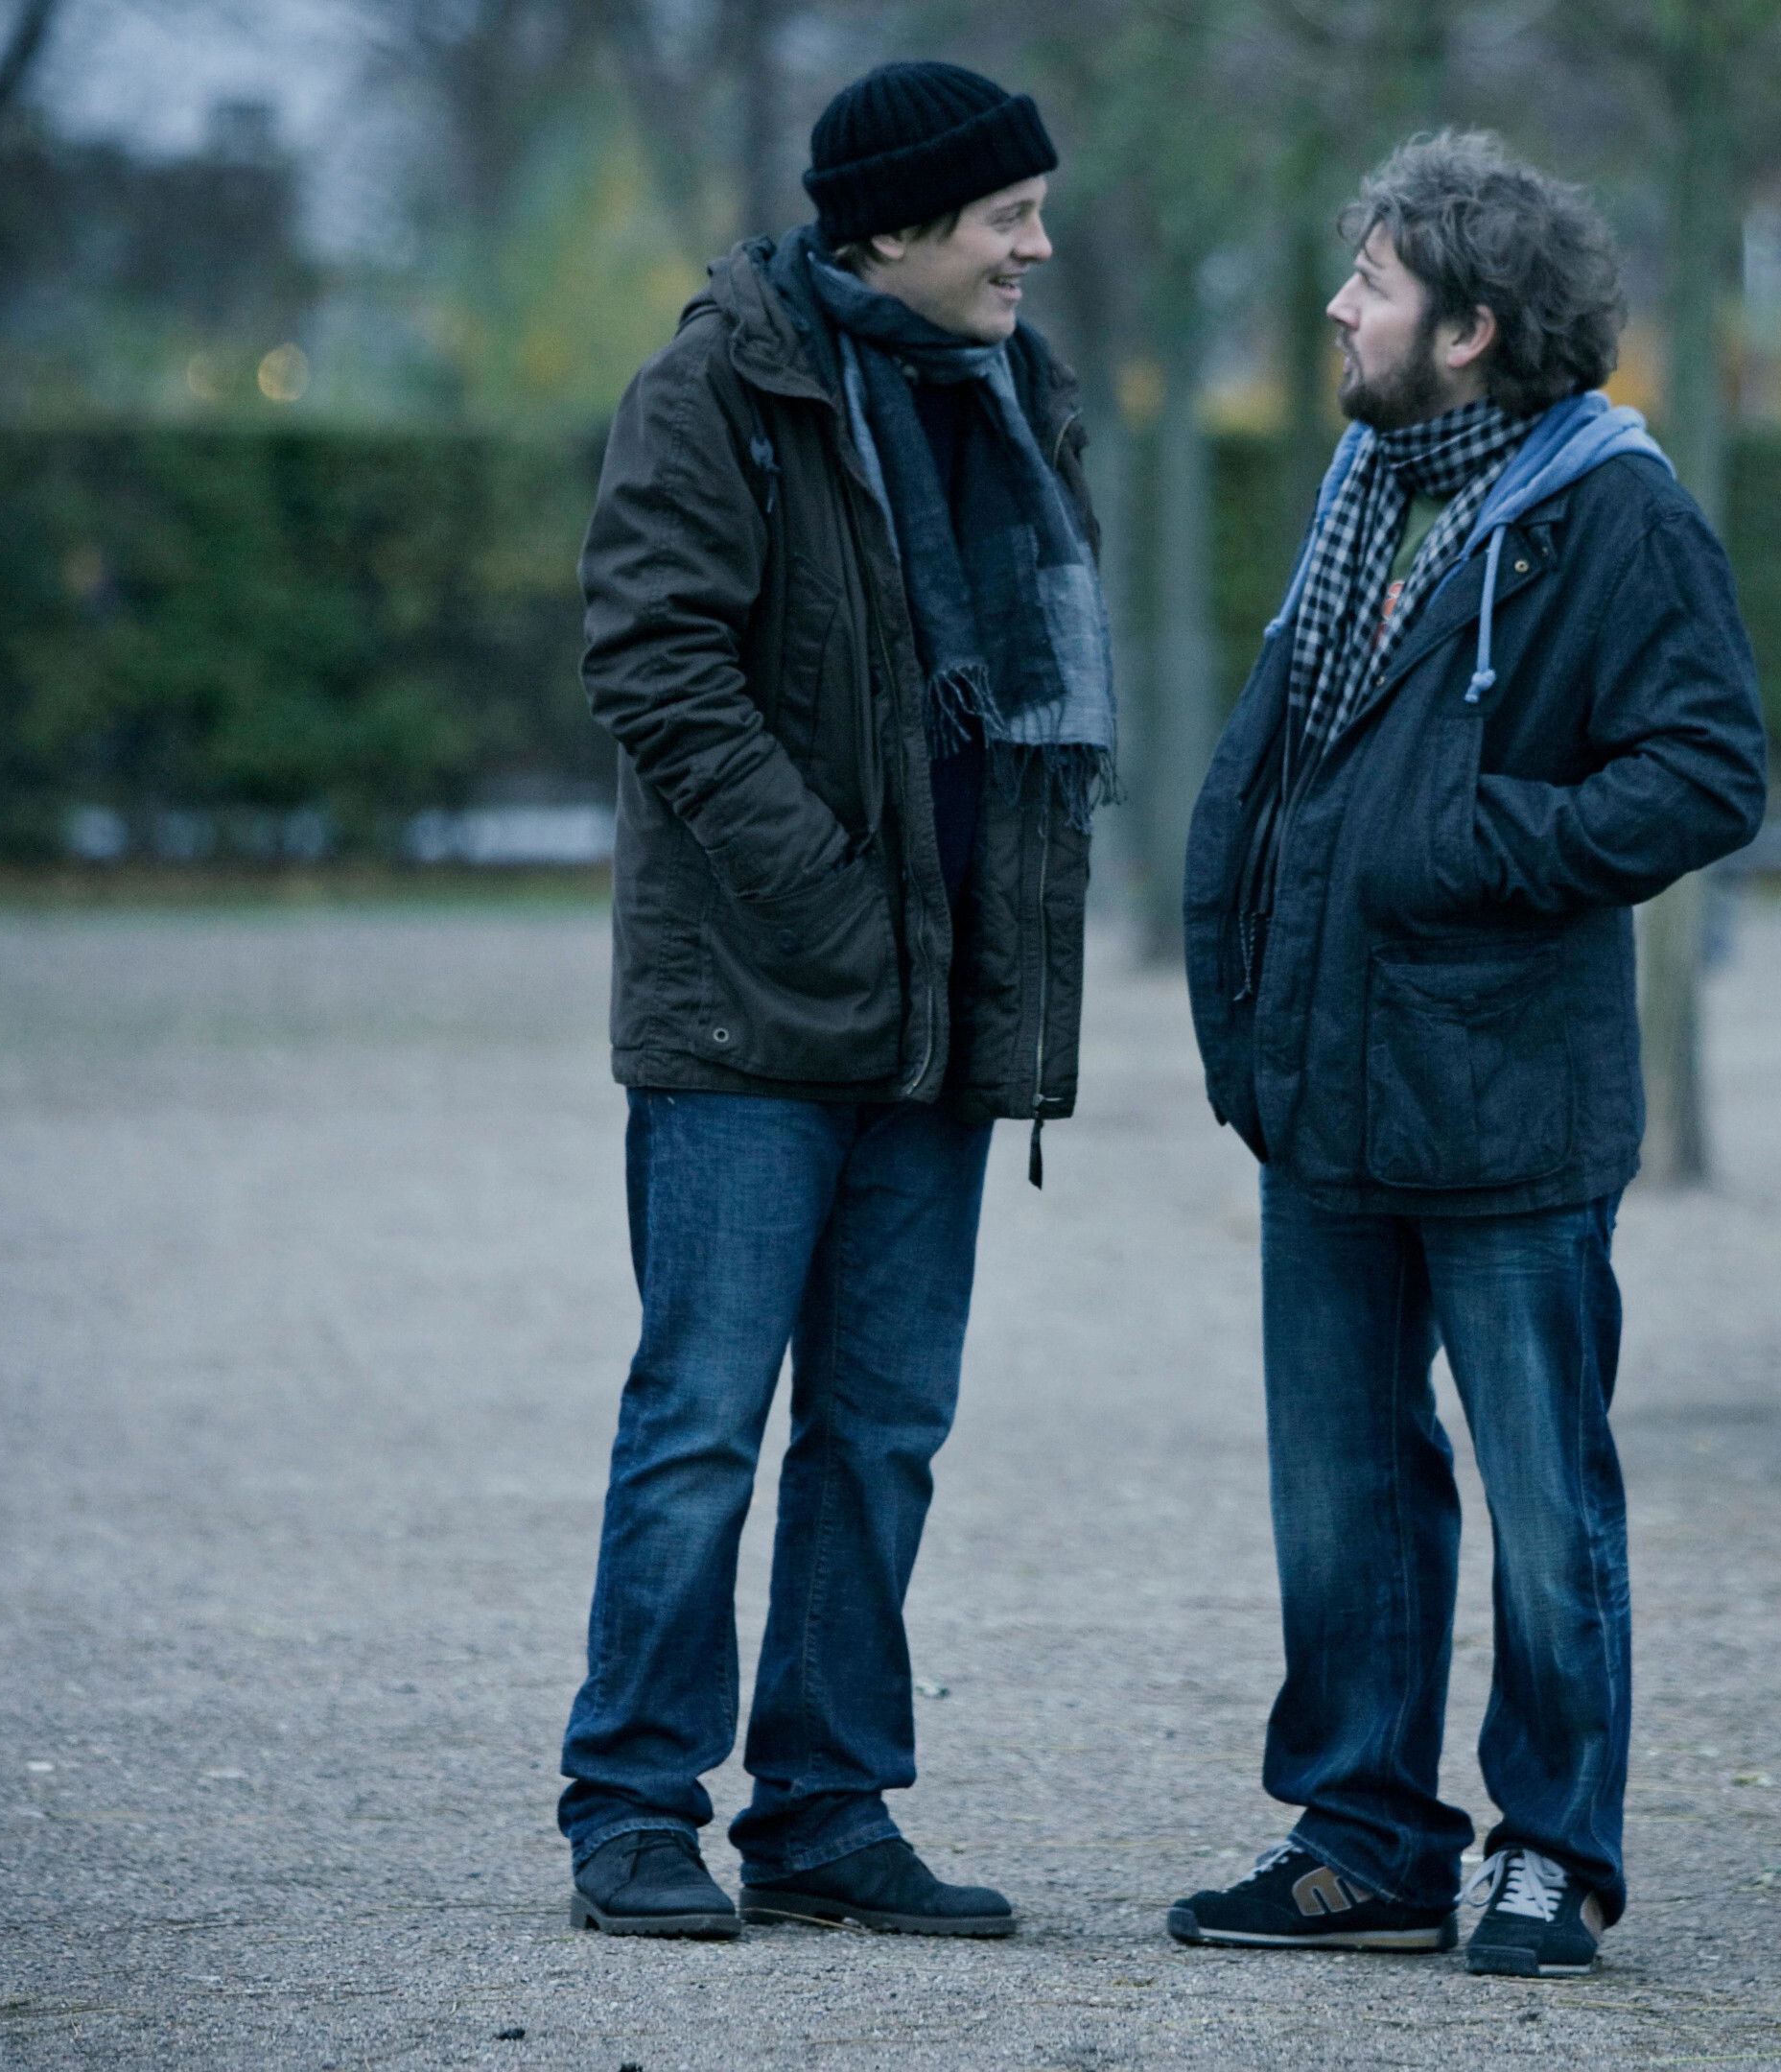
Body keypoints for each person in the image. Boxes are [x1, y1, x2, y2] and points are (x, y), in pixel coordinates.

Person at [1170, 132, 1766, 1979]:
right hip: (1327, 1088)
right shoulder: (1364, 484)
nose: (1335, 306)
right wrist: (1242, 999)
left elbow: (1706, 774)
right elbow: (1290, 769)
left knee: (1543, 1496)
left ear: (1470, 328)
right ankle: (1363, 1841)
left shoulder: (1616, 510)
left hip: (1509, 1096)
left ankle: (1554, 1851)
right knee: (1342, 1497)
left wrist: (1478, 839)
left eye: (1371, 282)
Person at [556, 59, 1109, 1942]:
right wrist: (826, 895)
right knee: (702, 1420)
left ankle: (824, 1810)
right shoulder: (720, 384)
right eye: (1008, 216)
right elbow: (652, 653)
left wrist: (969, 949)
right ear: (893, 229)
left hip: (942, 1013)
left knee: (884, 1433)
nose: (1038, 247)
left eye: (1037, 212)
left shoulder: (1015, 394)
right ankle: (633, 1804)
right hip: (752, 1009)